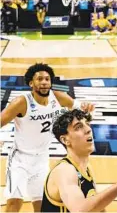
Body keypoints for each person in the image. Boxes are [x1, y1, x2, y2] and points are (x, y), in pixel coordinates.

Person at [1, 63, 94, 212]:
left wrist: (87, 109)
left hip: (41, 160)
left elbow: (81, 112)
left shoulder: (58, 97)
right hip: (19, 160)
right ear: (31, 83)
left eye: (47, 79)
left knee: (42, 206)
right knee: (14, 204)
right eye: (39, 79)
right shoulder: (21, 102)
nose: (44, 82)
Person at [41, 109, 117, 212]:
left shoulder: (86, 169)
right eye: (78, 127)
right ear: (65, 140)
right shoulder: (65, 171)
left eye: (87, 124)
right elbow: (81, 210)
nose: (88, 129)